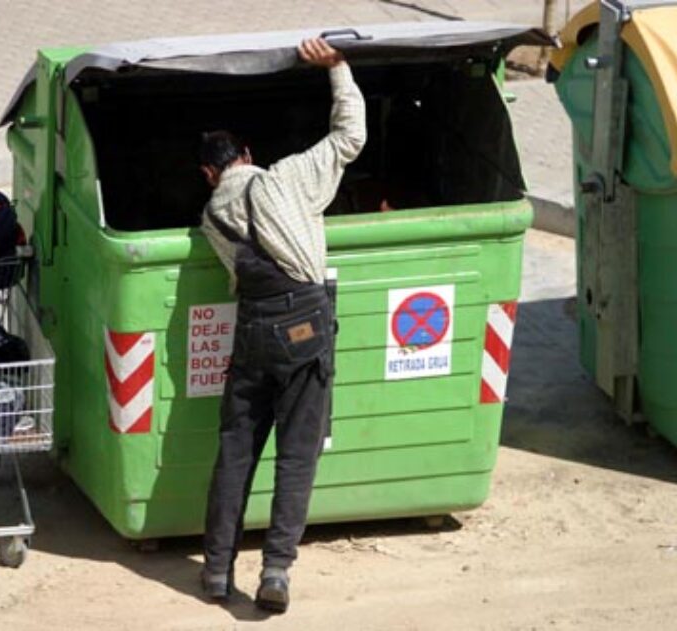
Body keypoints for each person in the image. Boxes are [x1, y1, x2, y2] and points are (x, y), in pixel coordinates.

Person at [198, 37, 367, 613]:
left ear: (208, 172)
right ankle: (275, 572)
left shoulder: (211, 216)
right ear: (247, 153)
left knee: (235, 450)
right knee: (297, 455)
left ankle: (217, 573)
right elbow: (350, 138)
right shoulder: (288, 178)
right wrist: (338, 70)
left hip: (253, 332)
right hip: (305, 328)